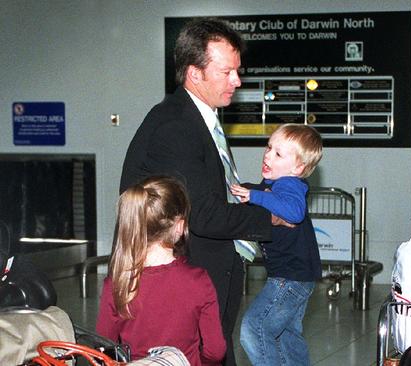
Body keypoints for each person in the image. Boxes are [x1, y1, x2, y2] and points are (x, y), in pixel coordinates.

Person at [119, 18, 282, 366]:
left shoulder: (197, 118)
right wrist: (273, 215)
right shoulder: (176, 127)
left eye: (237, 70)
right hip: (182, 290)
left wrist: (262, 195)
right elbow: (203, 214)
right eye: (227, 72)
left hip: (205, 277)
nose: (237, 81)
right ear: (195, 73)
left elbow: (211, 190)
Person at [96, 176, 226, 365]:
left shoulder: (117, 283)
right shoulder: (198, 281)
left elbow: (104, 347)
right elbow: (215, 351)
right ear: (180, 226)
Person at [230, 123, 323, 366]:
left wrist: (253, 196)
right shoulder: (273, 184)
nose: (268, 156)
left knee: (254, 327)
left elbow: (294, 212)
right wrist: (249, 191)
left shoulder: (289, 184)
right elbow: (260, 193)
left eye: (278, 154)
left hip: (289, 277)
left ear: (298, 168)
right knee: (286, 336)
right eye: (268, 147)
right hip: (298, 276)